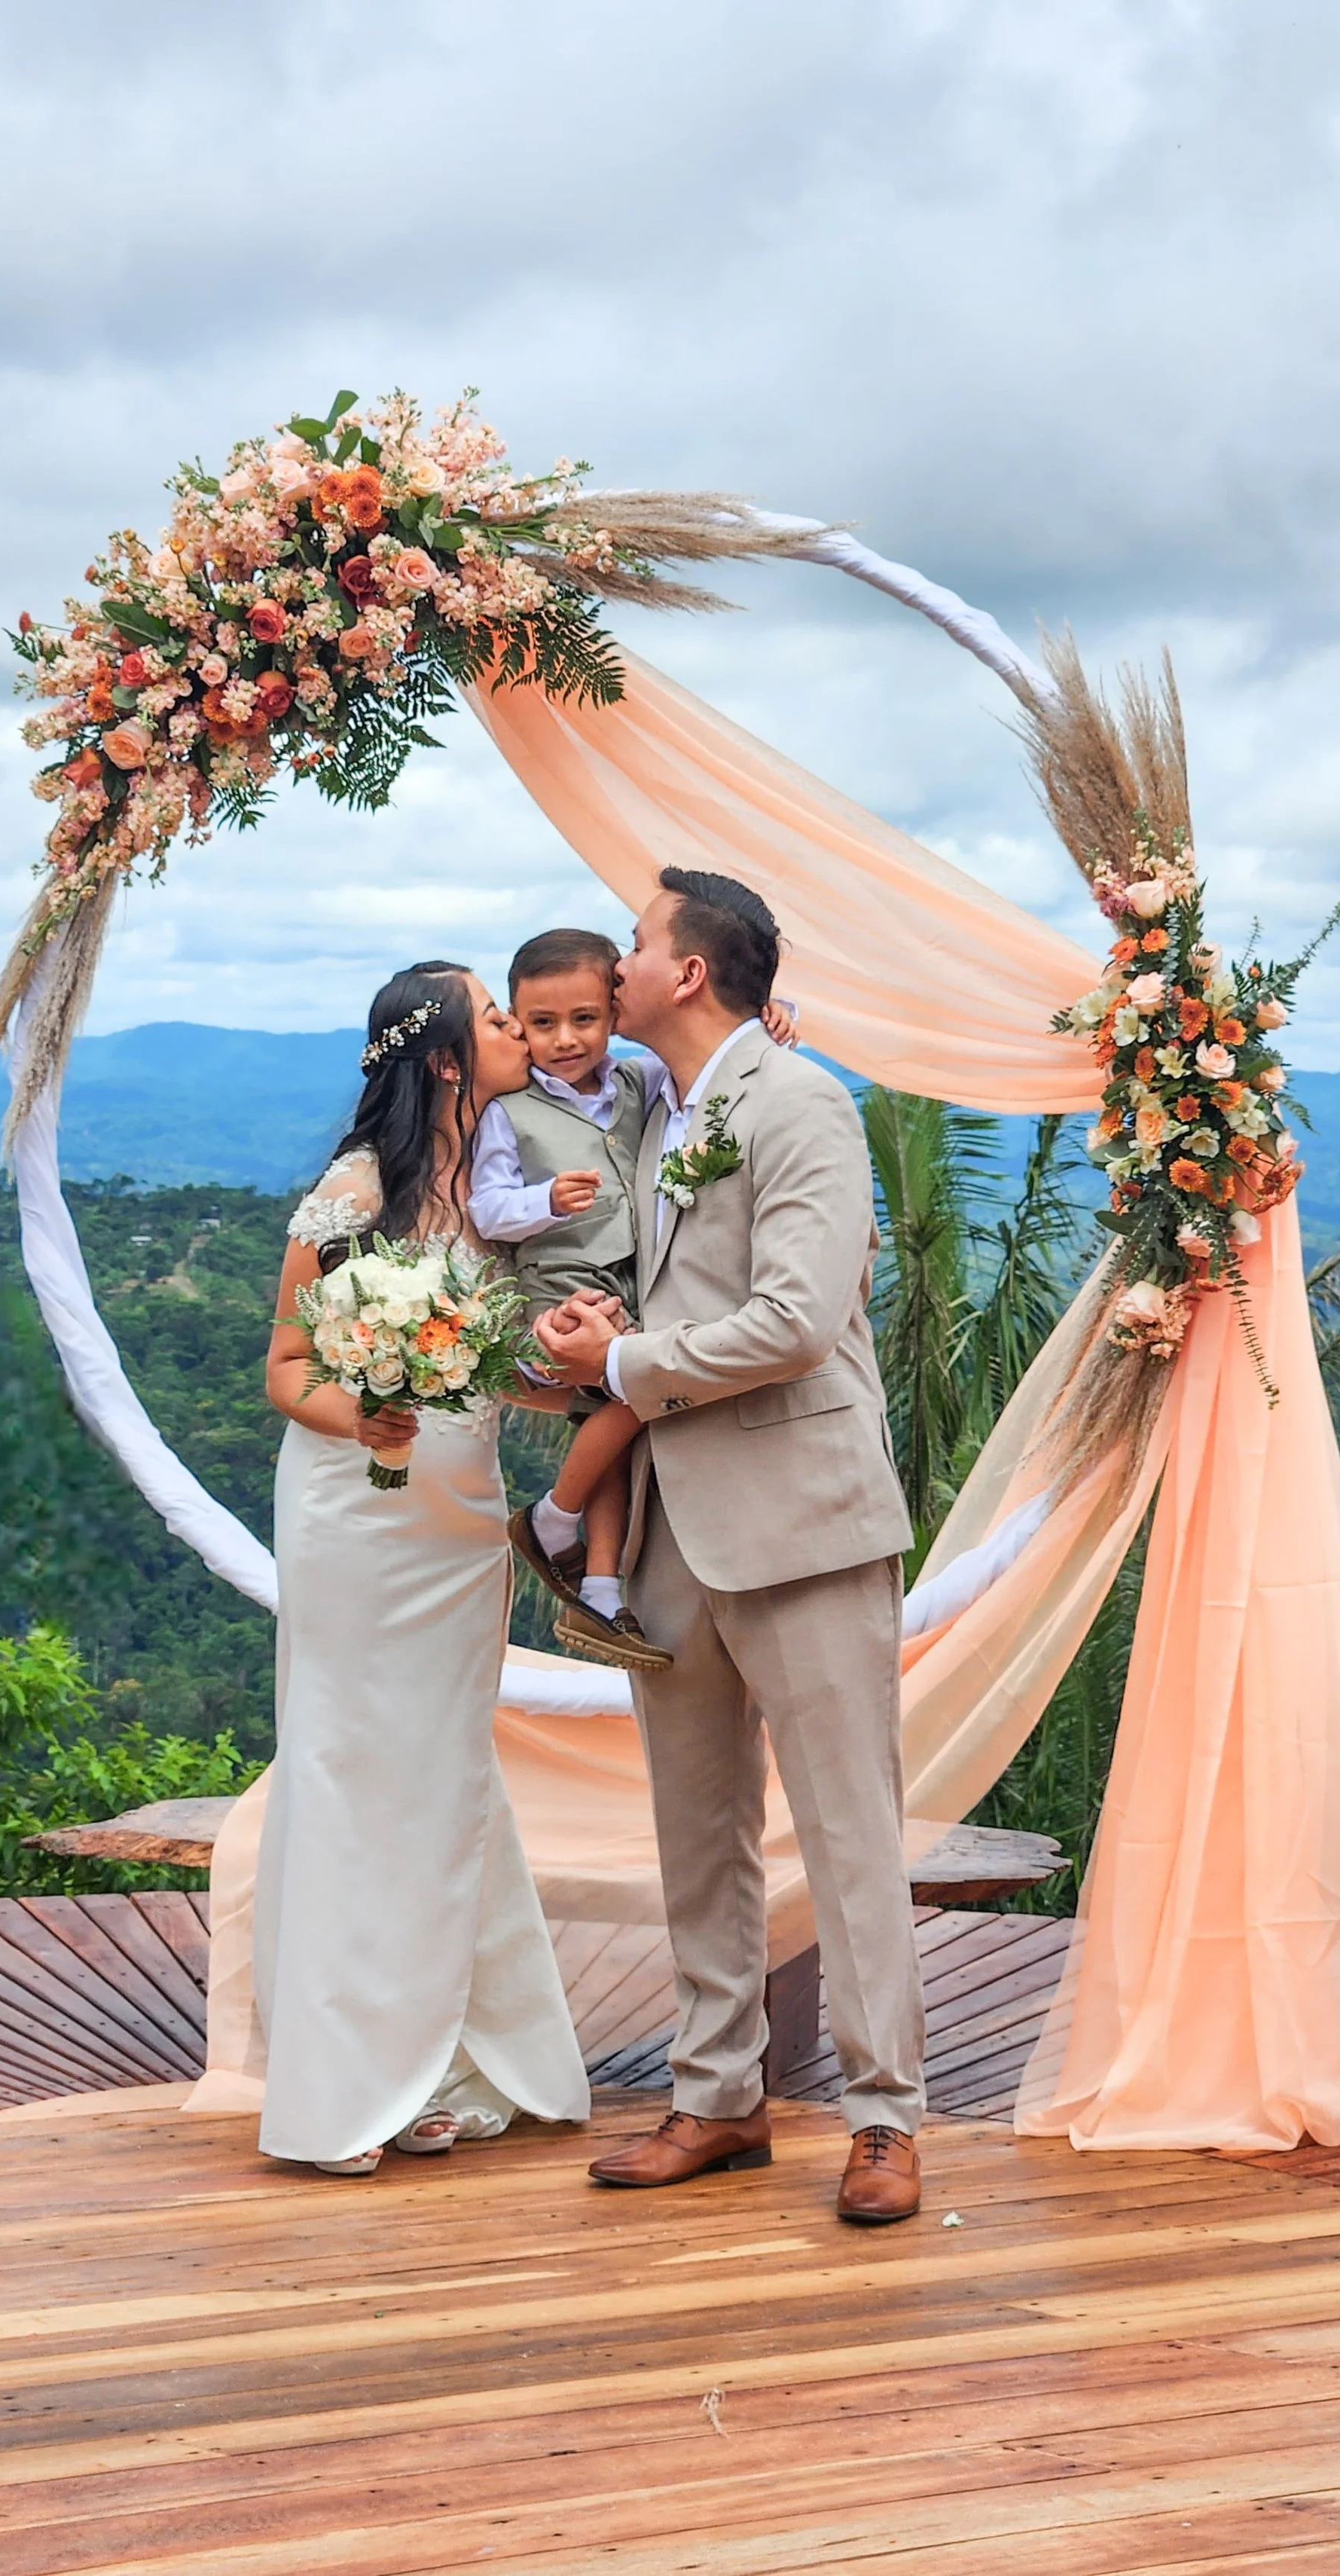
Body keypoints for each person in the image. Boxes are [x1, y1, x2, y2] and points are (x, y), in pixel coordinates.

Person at [534, 870, 928, 2224]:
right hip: (671, 1531)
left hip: (805, 1520)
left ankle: (885, 2120)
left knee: (848, 1832)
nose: (620, 962)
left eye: (636, 943)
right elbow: (674, 1293)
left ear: (690, 973)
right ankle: (719, 2100)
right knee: (696, 1832)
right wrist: (582, 1339)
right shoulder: (664, 1115)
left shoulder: (801, 1103)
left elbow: (800, 1319)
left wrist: (630, 1360)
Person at [258, 961, 591, 2176]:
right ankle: (347, 2082)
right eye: (496, 1018)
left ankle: (445, 2057)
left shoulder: (490, 1186)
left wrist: (571, 1377)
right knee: (353, 1765)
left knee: (442, 1774)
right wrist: (366, 1418)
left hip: (459, 1527)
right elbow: (287, 1368)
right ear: (447, 1059)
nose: (518, 1028)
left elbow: (491, 1363)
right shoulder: (355, 1194)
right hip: (360, 1519)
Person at [470, 926, 795, 1673]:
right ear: (520, 1022)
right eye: (542, 1024)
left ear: (614, 1013)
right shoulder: (510, 1112)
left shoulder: (638, 1082)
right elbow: (487, 1210)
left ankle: (602, 1585)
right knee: (630, 1399)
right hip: (556, 1295)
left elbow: (710, 1065)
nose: (564, 1040)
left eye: (584, 1019)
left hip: (633, 1291)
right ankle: (553, 1518)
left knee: (622, 1419)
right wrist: (544, 1200)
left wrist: (771, 1021)